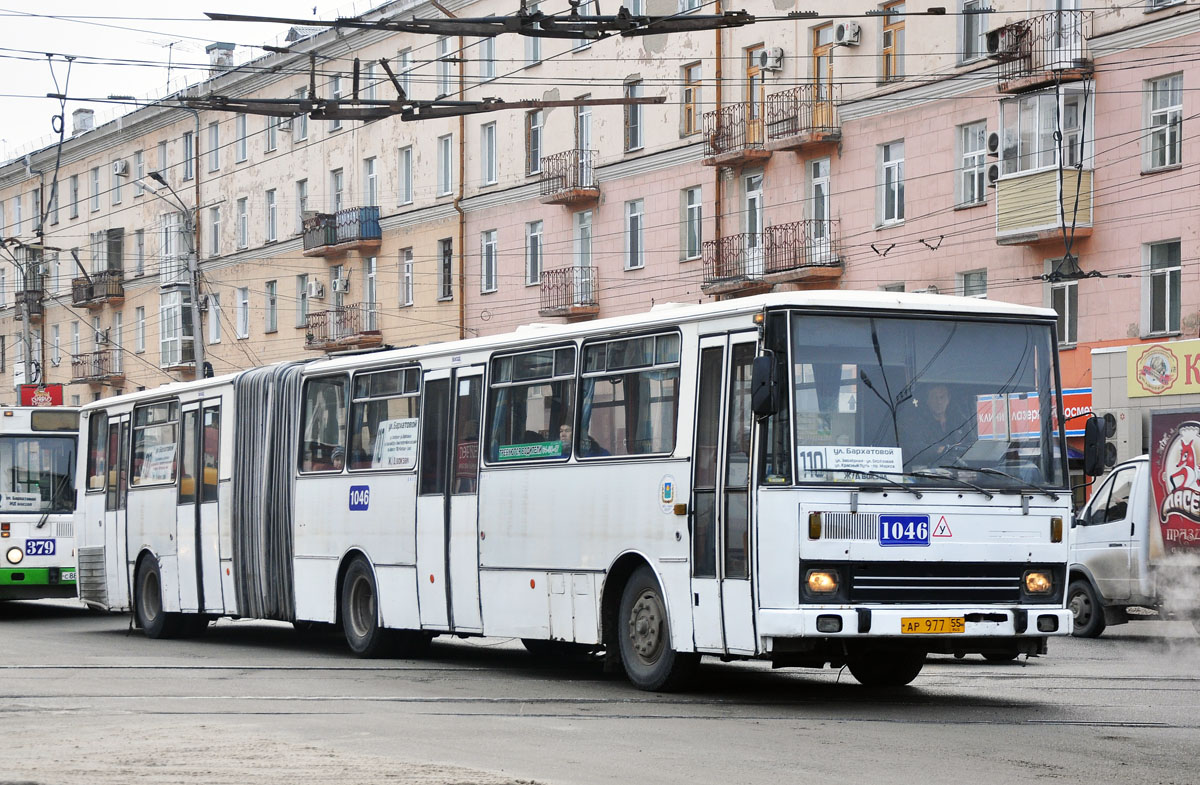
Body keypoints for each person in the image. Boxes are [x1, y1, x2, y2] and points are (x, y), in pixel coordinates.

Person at [906, 383, 972, 466]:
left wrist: (958, 449)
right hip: (929, 473)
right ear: (927, 401)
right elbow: (913, 447)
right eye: (934, 397)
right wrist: (939, 449)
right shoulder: (917, 423)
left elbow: (973, 443)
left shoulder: (960, 420)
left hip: (961, 471)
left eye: (942, 397)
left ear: (948, 399)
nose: (939, 402)